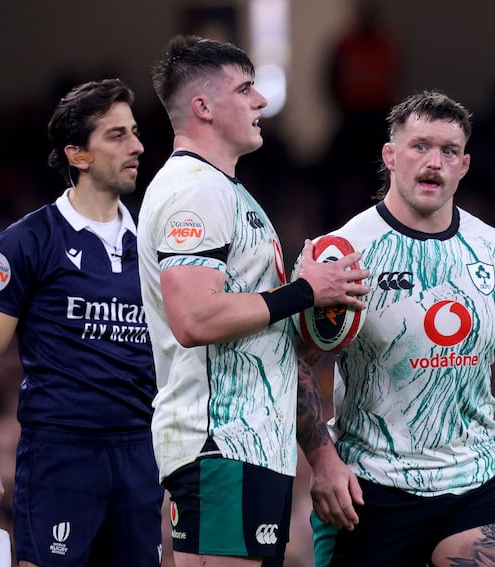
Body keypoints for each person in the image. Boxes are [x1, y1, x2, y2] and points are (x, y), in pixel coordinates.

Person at [295, 90, 495, 566]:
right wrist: (323, 462)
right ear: (389, 156)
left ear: (464, 165)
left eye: (448, 151)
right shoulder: (343, 252)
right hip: (371, 490)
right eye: (419, 146)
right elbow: (296, 364)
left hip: (478, 479)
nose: (434, 163)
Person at [136, 35, 369, 567]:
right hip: (220, 445)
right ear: (203, 107)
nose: (260, 101)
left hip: (249, 447)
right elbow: (193, 317)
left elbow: (262, 330)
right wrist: (307, 290)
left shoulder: (229, 192)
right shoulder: (195, 190)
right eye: (245, 89)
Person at [0, 79, 163, 567]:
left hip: (140, 452)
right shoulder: (25, 242)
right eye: (116, 136)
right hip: (60, 453)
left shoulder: (157, 245)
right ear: (78, 154)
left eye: (134, 132)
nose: (137, 146)